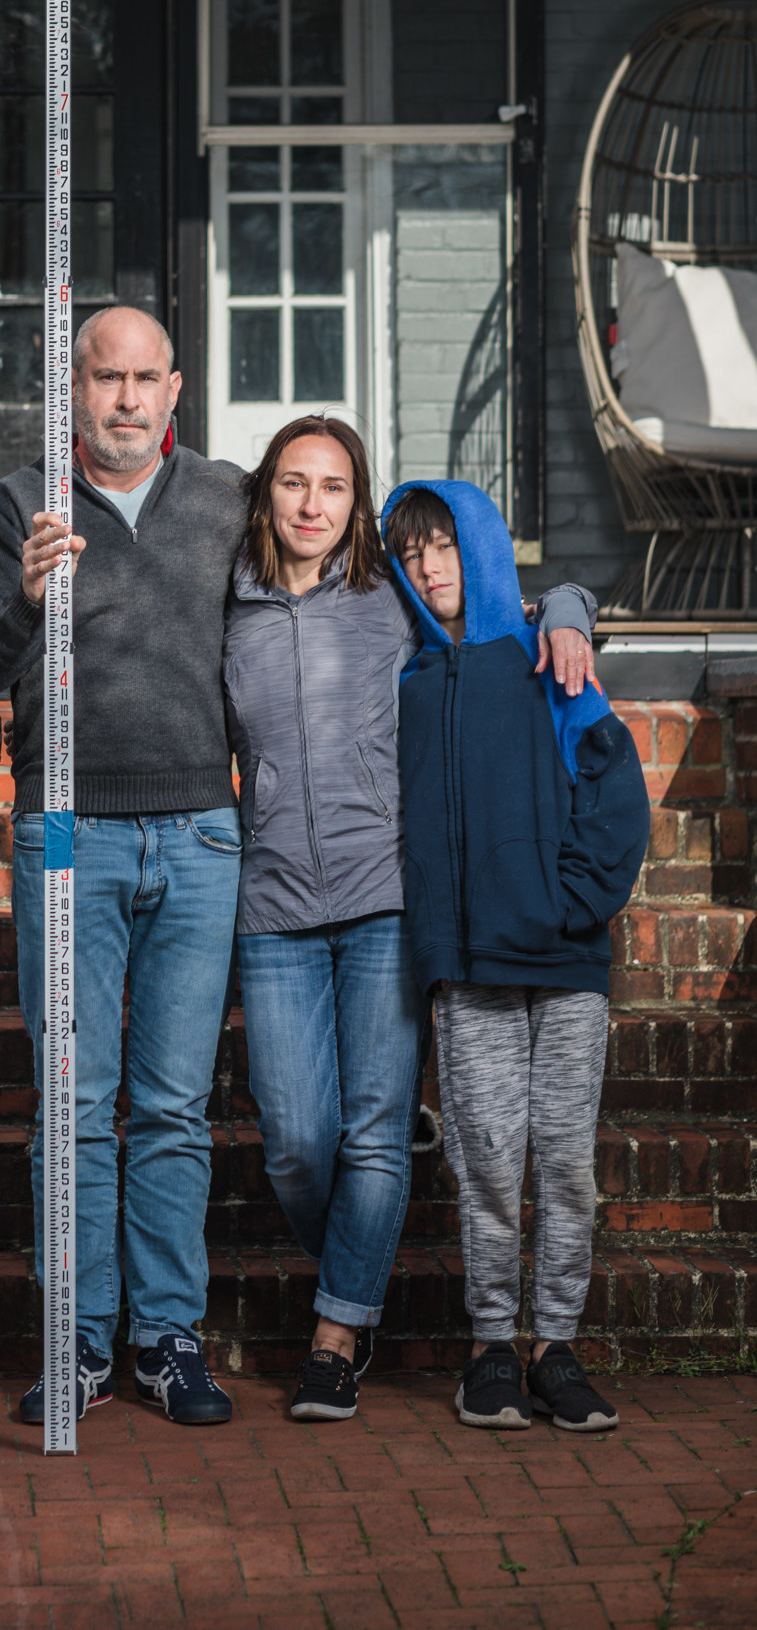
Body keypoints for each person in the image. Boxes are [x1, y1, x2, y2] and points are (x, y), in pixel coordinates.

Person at [224, 418, 599, 1423]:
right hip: (273, 905)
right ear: (266, 496)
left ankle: (337, 1334)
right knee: (300, 1141)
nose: (312, 503)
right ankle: (362, 1250)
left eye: (334, 485)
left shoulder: (390, 598)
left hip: (388, 897)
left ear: (357, 504)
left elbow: (509, 608)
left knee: (376, 1138)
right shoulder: (231, 607)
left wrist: (571, 604)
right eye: (294, 483)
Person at [0, 307, 249, 1425]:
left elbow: (329, 584)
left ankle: (166, 1335)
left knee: (172, 1104)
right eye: (103, 377)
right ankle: (76, 1339)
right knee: (75, 1102)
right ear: (70, 387)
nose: (124, 398)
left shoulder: (225, 501)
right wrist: (24, 598)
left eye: (144, 379)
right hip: (67, 833)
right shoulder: (22, 503)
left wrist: (562, 603)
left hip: (200, 834)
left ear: (176, 388)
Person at [382, 480, 648, 1433]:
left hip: (566, 965)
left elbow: (614, 794)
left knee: (565, 1162)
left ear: (482, 548)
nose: (427, 567)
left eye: (443, 546)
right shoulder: (406, 681)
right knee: (487, 1161)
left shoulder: (546, 658)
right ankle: (491, 1347)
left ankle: (555, 1347)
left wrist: (568, 908)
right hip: (470, 969)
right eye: (410, 554)